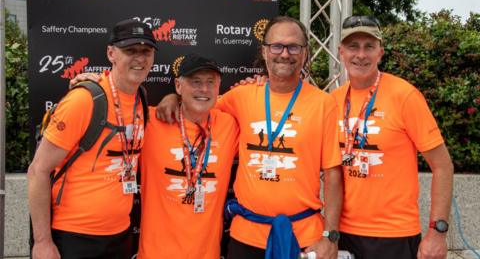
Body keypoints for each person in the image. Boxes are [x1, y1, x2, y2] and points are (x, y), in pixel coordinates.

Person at [158, 16, 343, 259]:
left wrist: (330, 236)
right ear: (264, 52)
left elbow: (332, 174)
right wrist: (173, 98)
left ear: (305, 53)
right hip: (245, 235)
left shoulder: (324, 104)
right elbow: (198, 108)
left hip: (304, 237)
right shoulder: (241, 96)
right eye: (276, 46)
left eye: (294, 47)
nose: (284, 54)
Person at [28, 18, 157, 259]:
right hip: (75, 237)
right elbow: (38, 170)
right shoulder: (84, 100)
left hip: (120, 235)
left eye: (146, 51)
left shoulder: (141, 97)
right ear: (111, 53)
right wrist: (42, 242)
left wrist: (173, 100)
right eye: (130, 50)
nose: (140, 58)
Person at [332, 15, 454, 259]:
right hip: (344, 233)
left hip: (394, 235)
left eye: (369, 46)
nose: (361, 55)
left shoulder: (405, 95)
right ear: (341, 52)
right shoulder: (333, 100)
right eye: (353, 46)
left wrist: (437, 232)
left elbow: (443, 166)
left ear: (381, 52)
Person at [137, 53, 239, 259]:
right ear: (178, 85)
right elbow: (111, 107)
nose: (204, 89)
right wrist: (87, 82)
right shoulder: (150, 122)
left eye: (211, 82)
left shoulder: (230, 125)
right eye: (195, 82)